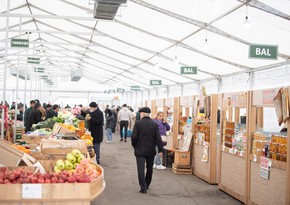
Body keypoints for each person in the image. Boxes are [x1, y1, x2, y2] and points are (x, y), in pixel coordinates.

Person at [131, 107, 163, 194]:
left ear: (142, 114)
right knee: (149, 168)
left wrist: (135, 146)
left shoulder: (138, 124)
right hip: (150, 150)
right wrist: (160, 150)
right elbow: (158, 138)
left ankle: (143, 188)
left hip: (140, 150)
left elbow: (133, 137)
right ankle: (147, 184)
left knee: (140, 169)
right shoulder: (154, 124)